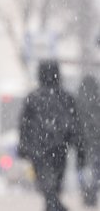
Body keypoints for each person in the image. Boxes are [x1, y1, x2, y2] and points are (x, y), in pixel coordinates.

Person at [17, 60, 83, 211]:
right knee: (53, 188)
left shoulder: (33, 98)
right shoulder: (66, 98)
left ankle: (54, 207)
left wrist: (23, 146)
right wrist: (77, 145)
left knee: (47, 188)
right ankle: (55, 207)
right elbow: (74, 125)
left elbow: (24, 125)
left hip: (39, 152)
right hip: (59, 150)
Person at [76, 75, 100, 207]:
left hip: (82, 143)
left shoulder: (78, 102)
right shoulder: (97, 101)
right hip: (96, 143)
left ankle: (86, 192)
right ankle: (92, 192)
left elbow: (75, 123)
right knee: (96, 169)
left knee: (81, 168)